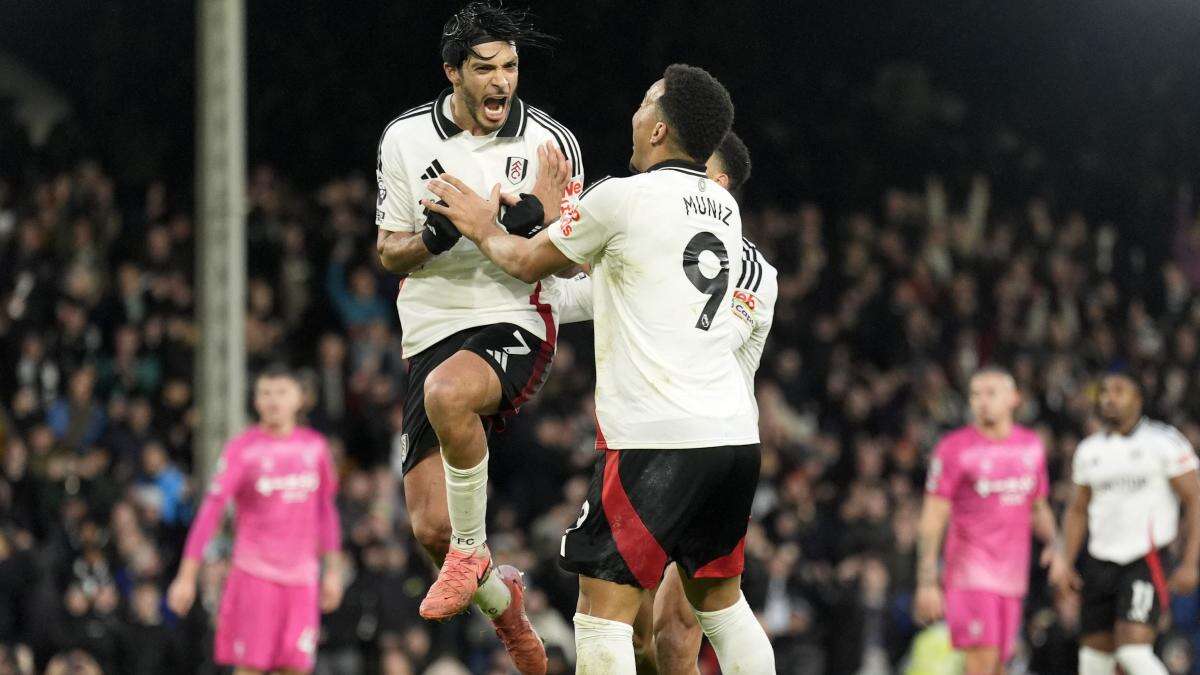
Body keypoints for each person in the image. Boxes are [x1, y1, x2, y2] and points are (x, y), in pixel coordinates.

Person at [424, 63, 775, 673]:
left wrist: (485, 226)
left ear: (661, 130)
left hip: (657, 441)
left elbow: (525, 261)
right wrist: (567, 222)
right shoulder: (723, 210)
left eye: (644, 104)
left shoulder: (623, 197)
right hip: (734, 438)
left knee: (601, 616)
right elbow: (611, 281)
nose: (634, 115)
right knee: (721, 607)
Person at [372, 3, 584, 672]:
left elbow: (576, 252)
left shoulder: (551, 143)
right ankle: (506, 606)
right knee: (426, 528)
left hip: (512, 312)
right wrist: (435, 236)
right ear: (453, 72)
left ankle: (472, 549)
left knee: (451, 391)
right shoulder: (406, 138)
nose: (501, 82)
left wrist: (529, 219)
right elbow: (387, 251)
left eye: (511, 67)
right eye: (485, 68)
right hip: (430, 323)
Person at [545, 130, 774, 674]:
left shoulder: (745, 268)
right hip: (707, 445)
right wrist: (561, 238)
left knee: (654, 626)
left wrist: (562, 234)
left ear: (715, 185)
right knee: (654, 636)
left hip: (674, 444)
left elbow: (691, 333)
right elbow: (572, 296)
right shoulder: (676, 250)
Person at [166, 366, 343, 675]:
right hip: (254, 576)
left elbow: (325, 511)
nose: (273, 401)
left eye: (282, 392)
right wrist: (186, 575)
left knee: (297, 669)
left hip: (302, 579)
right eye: (265, 393)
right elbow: (211, 510)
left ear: (300, 399)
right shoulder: (243, 449)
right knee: (250, 668)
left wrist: (333, 571)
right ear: (256, 400)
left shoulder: (315, 448)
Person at [1050, 370, 1200, 675]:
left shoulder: (1165, 442)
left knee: (1133, 651)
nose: (1109, 398)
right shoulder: (1089, 451)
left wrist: (1190, 562)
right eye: (1104, 391)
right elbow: (1078, 510)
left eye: (1119, 391)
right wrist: (1064, 559)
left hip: (1146, 558)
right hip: (1100, 561)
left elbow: (1196, 500)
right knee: (1093, 663)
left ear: (1138, 398)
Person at [913, 368, 1057, 675]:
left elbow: (1038, 506)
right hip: (970, 574)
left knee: (997, 666)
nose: (982, 402)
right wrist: (927, 580)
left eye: (991, 393)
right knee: (980, 664)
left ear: (1014, 399)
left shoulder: (1031, 446)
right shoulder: (954, 448)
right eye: (975, 394)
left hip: (1012, 578)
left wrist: (1055, 544)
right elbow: (933, 515)